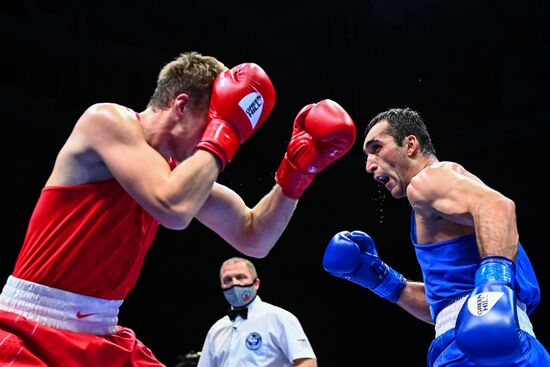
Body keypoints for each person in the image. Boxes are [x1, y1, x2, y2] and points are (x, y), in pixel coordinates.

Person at [0, 51, 356, 366]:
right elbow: (173, 208)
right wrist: (224, 132)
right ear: (181, 106)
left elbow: (254, 237)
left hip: (102, 335)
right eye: (208, 127)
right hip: (33, 328)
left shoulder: (172, 173)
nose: (209, 142)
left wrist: (295, 175)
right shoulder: (106, 121)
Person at [322, 107, 550, 366]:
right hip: (502, 341)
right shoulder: (442, 197)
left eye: (376, 148)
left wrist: (494, 284)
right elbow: (447, 309)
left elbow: (498, 206)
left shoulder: (426, 181)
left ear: (410, 144)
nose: (369, 165)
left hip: (476, 350)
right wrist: (381, 279)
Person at [197, 257, 317, 367]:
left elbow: (308, 363)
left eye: (241, 277)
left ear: (256, 284)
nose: (234, 283)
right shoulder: (216, 330)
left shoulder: (279, 318)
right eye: (227, 280)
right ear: (221, 286)